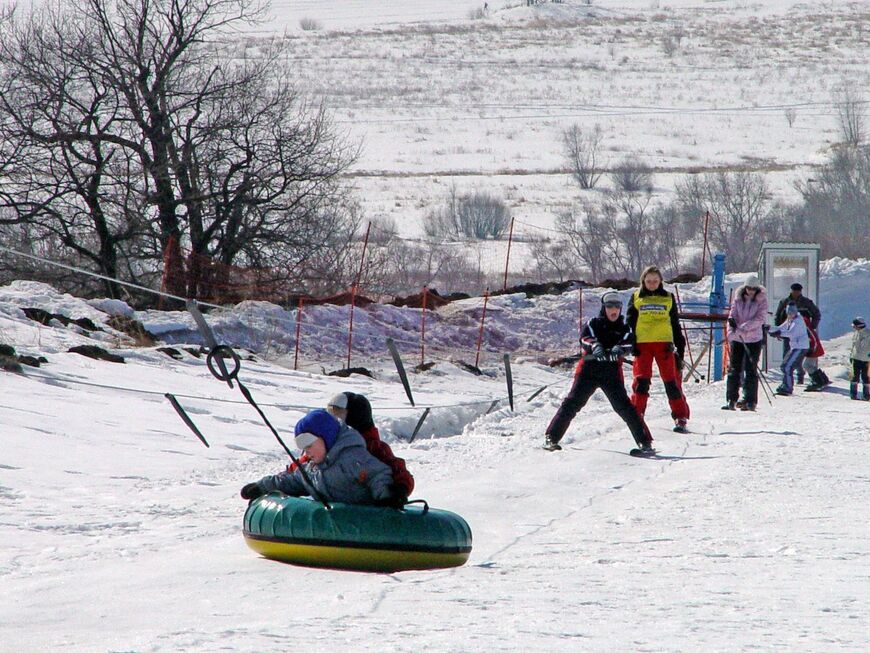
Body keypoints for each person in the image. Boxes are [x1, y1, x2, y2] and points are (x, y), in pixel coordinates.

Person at [544, 292, 654, 453]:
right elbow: (585, 338)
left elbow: (629, 342)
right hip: (588, 371)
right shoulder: (594, 323)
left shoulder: (624, 327)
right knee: (572, 403)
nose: (613, 309)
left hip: (611, 373)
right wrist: (595, 346)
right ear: (604, 308)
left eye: (617, 306)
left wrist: (619, 349)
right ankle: (551, 437)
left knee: (624, 407)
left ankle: (644, 443)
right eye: (609, 306)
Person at [239, 409, 401, 506]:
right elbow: (290, 481)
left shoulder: (351, 457)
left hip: (366, 520)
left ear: (326, 438)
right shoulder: (312, 469)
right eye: (303, 447)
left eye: (309, 445)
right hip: (334, 524)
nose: (306, 452)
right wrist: (261, 487)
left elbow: (377, 475)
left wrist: (386, 494)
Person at [626, 265, 691, 432]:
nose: (652, 284)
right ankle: (637, 415)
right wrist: (631, 343)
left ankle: (680, 416)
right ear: (643, 281)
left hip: (664, 345)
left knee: (671, 381)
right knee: (641, 382)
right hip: (643, 345)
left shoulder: (668, 297)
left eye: (655, 281)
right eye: (648, 281)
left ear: (660, 281)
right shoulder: (635, 297)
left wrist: (680, 346)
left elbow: (675, 324)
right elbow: (630, 323)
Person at [326, 391, 415, 503]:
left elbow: (399, 470)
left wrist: (400, 489)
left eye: (338, 414)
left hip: (368, 508)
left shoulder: (373, 448)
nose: (333, 420)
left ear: (354, 417)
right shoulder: (328, 444)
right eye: (330, 413)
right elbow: (308, 464)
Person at [722, 275, 767, 411]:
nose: (751, 291)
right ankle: (731, 398)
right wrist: (732, 329)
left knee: (751, 369)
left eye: (753, 289)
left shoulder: (762, 300)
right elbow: (732, 314)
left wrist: (744, 326)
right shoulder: (738, 298)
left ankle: (750, 400)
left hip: (753, 339)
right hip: (738, 338)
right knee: (734, 368)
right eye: (748, 288)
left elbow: (760, 318)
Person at [774, 283, 821, 384]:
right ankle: (787, 378)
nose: (796, 293)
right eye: (794, 291)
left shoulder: (806, 302)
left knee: (798, 356)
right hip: (788, 332)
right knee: (787, 355)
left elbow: (816, 314)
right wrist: (778, 331)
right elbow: (778, 316)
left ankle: (800, 375)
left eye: (798, 291)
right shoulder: (784, 302)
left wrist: (811, 327)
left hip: (801, 334)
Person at [767, 303, 809, 396]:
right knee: (784, 366)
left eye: (792, 312)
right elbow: (780, 328)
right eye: (789, 313)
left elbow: (790, 333)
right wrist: (769, 328)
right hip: (794, 346)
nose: (790, 314)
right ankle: (785, 384)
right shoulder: (790, 320)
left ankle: (788, 387)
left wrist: (778, 333)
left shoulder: (798, 321)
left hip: (800, 347)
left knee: (788, 367)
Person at [801, 313, 831, 392]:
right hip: (814, 350)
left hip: (813, 350)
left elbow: (813, 340)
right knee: (812, 366)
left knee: (806, 365)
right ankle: (823, 379)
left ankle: (817, 382)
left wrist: (812, 350)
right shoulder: (807, 329)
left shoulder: (807, 329)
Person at [848, 317, 870, 400]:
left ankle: (865, 395)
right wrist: (851, 355)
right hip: (856, 358)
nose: (853, 327)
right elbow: (854, 346)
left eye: (854, 325)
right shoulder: (856, 333)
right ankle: (855, 395)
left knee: (865, 377)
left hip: (865, 359)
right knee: (855, 376)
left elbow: (862, 346)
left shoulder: (867, 334)